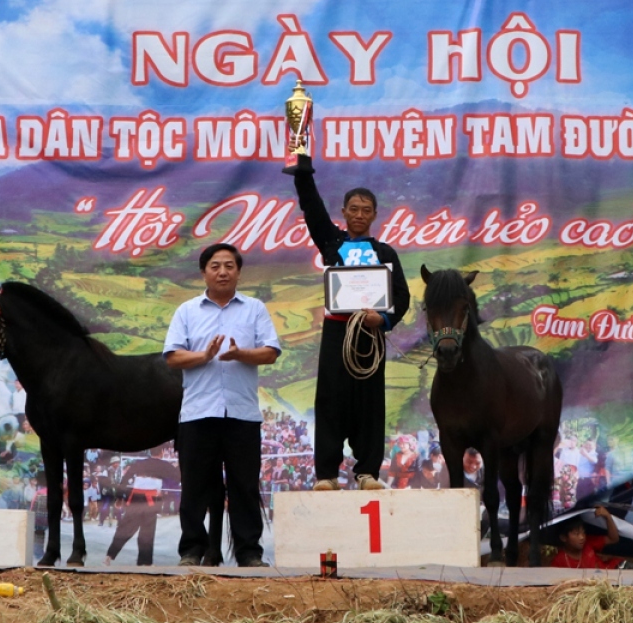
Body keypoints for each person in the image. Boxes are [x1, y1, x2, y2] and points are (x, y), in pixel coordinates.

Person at [292, 155, 411, 491]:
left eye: (366, 210)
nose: (359, 215)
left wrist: (383, 318)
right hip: (336, 332)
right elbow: (312, 208)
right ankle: (327, 473)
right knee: (330, 399)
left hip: (369, 334)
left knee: (369, 401)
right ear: (343, 212)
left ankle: (366, 472)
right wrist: (303, 171)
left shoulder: (385, 252)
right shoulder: (332, 243)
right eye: (353, 209)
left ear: (374, 216)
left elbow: (401, 297)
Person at [164, 243, 281, 567]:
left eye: (229, 266)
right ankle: (191, 550)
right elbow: (173, 357)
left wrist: (240, 354)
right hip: (198, 411)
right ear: (204, 272)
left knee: (244, 485)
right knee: (195, 486)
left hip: (241, 413)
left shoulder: (254, 308)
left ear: (239, 272)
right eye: (215, 266)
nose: (223, 272)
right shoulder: (187, 311)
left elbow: (270, 352)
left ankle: (248, 553)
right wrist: (203, 356)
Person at [103, 449, 179, 567]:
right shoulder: (164, 465)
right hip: (151, 500)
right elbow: (178, 478)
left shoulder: (139, 463)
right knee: (147, 531)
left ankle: (109, 556)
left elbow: (125, 479)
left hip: (135, 499)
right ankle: (145, 562)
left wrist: (119, 497)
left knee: (125, 527)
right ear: (162, 452)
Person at [550, 506, 620, 569]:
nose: (582, 537)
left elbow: (613, 539)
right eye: (576, 534)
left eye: (583, 532)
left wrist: (608, 517)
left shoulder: (588, 542)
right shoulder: (559, 561)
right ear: (563, 538)